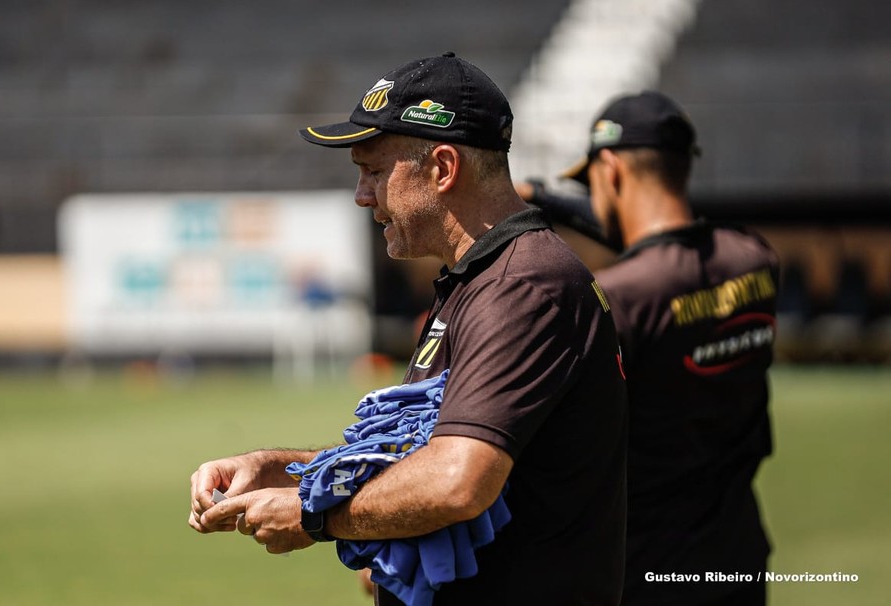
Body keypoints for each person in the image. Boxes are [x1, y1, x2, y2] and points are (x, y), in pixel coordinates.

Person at [189, 53, 628, 605]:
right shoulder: (483, 277)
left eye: (373, 170)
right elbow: (423, 451)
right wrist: (287, 472)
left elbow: (456, 480)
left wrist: (313, 516)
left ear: (443, 168)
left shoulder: (522, 286)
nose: (362, 195)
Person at [521, 90, 778, 606]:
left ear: (610, 169)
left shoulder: (614, 302)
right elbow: (665, 253)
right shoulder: (755, 259)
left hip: (646, 573)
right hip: (739, 561)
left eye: (591, 183)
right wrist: (546, 196)